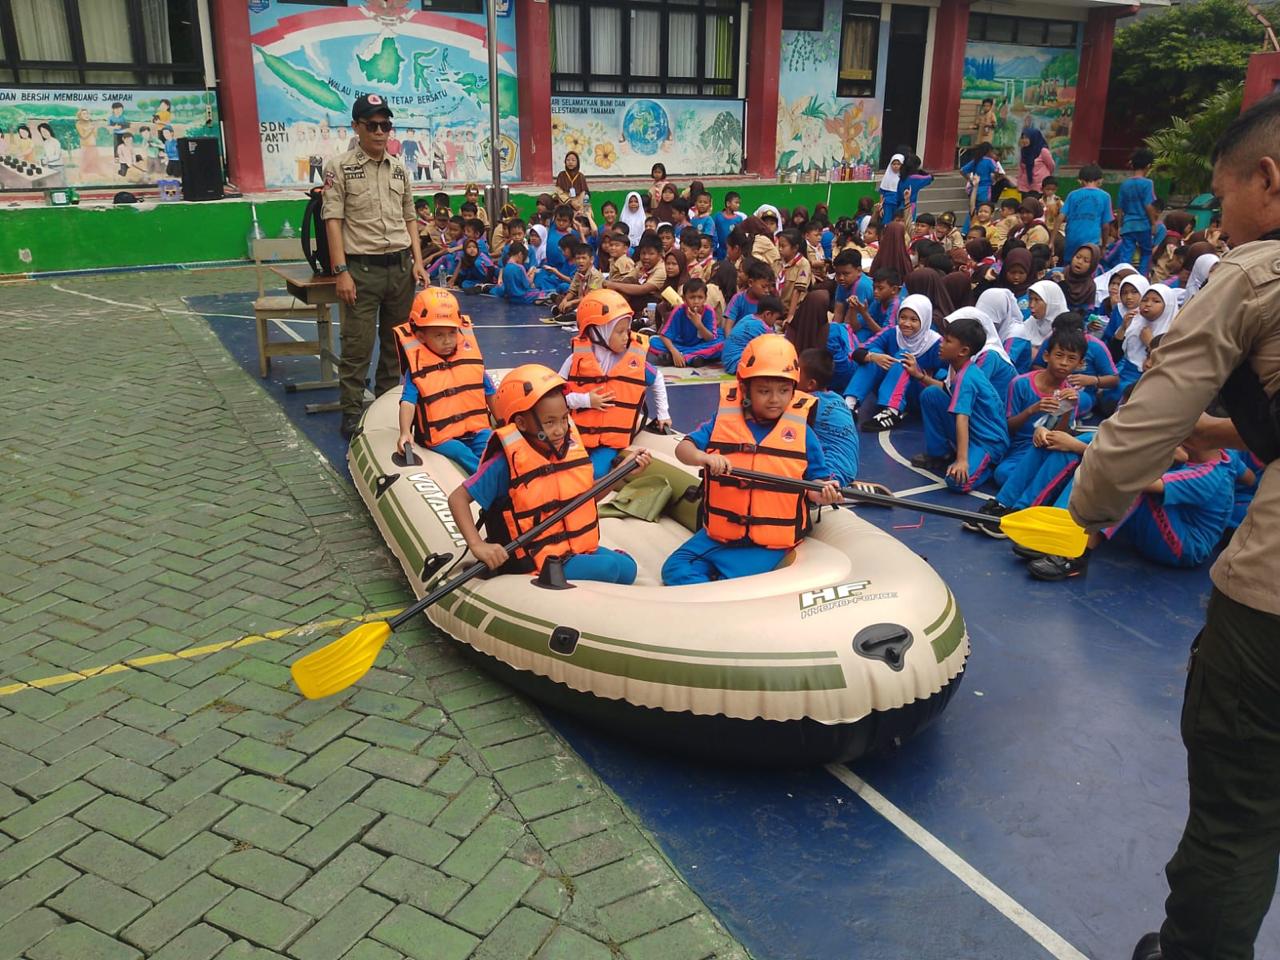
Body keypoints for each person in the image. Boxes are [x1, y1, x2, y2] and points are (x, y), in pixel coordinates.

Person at [661, 337, 841, 585]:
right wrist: (703, 457)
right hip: (719, 536)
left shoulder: (802, 433)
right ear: (745, 389)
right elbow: (683, 449)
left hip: (768, 544)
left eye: (784, 390)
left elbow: (814, 484)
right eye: (764, 391)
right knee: (674, 568)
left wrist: (824, 493)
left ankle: (711, 593)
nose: (775, 399)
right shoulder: (722, 421)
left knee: (732, 585)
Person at [448, 365, 649, 585]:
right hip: (534, 558)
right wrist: (478, 545)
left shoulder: (564, 449)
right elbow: (457, 499)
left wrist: (619, 473)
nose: (561, 430)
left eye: (564, 419)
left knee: (628, 570)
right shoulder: (504, 463)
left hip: (572, 546)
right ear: (521, 423)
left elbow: (584, 499)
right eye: (550, 422)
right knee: (608, 568)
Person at [322, 94, 428, 438]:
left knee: (396, 347)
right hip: (361, 272)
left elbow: (410, 216)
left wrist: (418, 261)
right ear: (356, 127)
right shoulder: (339, 167)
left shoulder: (399, 167)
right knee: (357, 346)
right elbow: (333, 220)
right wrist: (341, 272)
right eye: (372, 125)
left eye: (385, 125)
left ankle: (385, 408)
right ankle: (351, 414)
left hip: (399, 269)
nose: (380, 132)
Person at [560, 289, 670, 478]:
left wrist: (663, 414)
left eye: (627, 330)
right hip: (575, 435)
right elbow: (556, 398)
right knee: (565, 468)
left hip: (610, 443)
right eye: (619, 332)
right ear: (596, 331)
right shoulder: (574, 360)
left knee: (596, 472)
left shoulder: (633, 360)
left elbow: (657, 378)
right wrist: (586, 400)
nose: (626, 336)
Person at [393, 288, 495, 473]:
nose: (448, 341)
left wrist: (504, 422)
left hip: (477, 430)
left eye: (452, 333)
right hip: (442, 437)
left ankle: (503, 482)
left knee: (492, 445)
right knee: (460, 452)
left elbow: (489, 392)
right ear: (421, 336)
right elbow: (408, 402)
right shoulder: (416, 369)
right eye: (439, 335)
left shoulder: (470, 361)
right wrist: (405, 432)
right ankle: (485, 481)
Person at [910, 315, 1010, 492]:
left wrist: (962, 460)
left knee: (956, 482)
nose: (941, 343)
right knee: (931, 394)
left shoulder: (966, 378)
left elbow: (962, 419)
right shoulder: (962, 369)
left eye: (947, 341)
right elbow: (946, 391)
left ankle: (987, 466)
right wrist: (921, 376)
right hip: (973, 431)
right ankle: (940, 454)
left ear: (963, 351)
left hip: (987, 441)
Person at [995, 325, 1083, 488]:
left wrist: (1068, 408)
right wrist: (1032, 410)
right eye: (1059, 355)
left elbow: (1062, 435)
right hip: (1022, 446)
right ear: (1046, 356)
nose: (1064, 363)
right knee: (1003, 474)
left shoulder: (1070, 393)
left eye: (1071, 359)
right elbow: (1008, 427)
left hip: (1049, 447)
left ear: (1080, 364)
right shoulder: (1021, 383)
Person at [844, 293, 943, 431]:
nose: (906, 323)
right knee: (874, 354)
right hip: (887, 389)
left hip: (917, 394)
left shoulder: (936, 343)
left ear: (925, 320)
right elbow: (857, 353)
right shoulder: (893, 332)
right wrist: (872, 357)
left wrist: (920, 375)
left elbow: (948, 378)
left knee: (903, 356)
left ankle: (892, 412)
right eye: (902, 317)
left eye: (914, 319)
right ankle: (850, 404)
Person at [798, 347, 860, 485]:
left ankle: (845, 494)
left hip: (831, 471)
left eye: (797, 370)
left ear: (810, 384)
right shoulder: (837, 398)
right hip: (849, 466)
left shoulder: (806, 403)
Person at [649, 279, 723, 368]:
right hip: (680, 345)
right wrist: (674, 351)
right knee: (653, 341)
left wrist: (699, 325)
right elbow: (664, 336)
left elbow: (710, 338)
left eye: (700, 297)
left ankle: (679, 357)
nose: (696, 301)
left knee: (721, 343)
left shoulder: (708, 311)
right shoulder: (679, 311)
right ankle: (692, 358)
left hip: (700, 345)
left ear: (705, 298)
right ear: (684, 299)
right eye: (692, 297)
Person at [1113, 147, 1160, 275]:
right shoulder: (1148, 183)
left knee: (1126, 254)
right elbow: (1148, 205)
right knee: (1146, 253)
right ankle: (1142, 278)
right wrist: (1153, 223)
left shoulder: (1125, 184)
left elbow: (1120, 208)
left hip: (1128, 225)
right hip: (1143, 225)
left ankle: (1123, 276)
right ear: (1148, 166)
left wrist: (1119, 226)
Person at [1005, 279, 1067, 373]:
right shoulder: (1031, 322)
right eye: (1030, 299)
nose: (1031, 305)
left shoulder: (1067, 326)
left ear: (1051, 301)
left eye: (1037, 300)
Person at [1060, 165, 1113, 260]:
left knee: (1069, 265)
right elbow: (1105, 225)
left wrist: (1051, 241)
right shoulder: (1105, 196)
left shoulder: (1073, 195)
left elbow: (1061, 216)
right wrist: (1104, 245)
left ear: (1080, 181)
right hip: (1091, 240)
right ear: (1100, 180)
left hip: (1072, 238)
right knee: (1088, 266)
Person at [722, 296, 784, 375]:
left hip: (727, 361)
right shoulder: (761, 327)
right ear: (767, 314)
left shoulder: (749, 317)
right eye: (775, 318)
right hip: (737, 364)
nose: (775, 322)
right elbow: (775, 345)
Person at [553, 243, 604, 321]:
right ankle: (566, 309)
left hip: (591, 302)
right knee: (562, 299)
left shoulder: (595, 276)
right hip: (580, 300)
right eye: (578, 258)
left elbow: (590, 297)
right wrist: (565, 300)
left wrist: (572, 303)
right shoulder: (578, 273)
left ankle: (574, 314)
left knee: (589, 305)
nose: (580, 261)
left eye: (584, 258)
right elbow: (572, 290)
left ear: (591, 260)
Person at [775, 229, 812, 326]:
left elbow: (797, 291)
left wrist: (790, 317)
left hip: (794, 311)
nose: (780, 249)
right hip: (777, 310)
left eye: (783, 246)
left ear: (795, 248)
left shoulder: (803, 264)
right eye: (779, 246)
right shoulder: (777, 263)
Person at [1058, 243, 1101, 313]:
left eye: (1086, 261)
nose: (1079, 262)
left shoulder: (1090, 287)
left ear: (1092, 265)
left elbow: (1087, 312)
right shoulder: (1058, 274)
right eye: (1078, 257)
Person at [1017, 126, 1055, 194]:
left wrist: (1044, 176)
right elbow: (1021, 169)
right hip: (1025, 187)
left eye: (1027, 138)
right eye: (1023, 138)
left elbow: (1051, 166)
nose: (1024, 140)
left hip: (1039, 187)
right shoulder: (1023, 151)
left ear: (1033, 137)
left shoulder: (1043, 151)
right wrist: (1019, 183)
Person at [713, 191, 745, 260]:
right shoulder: (718, 216)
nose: (738, 205)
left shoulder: (739, 219)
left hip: (733, 252)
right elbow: (713, 232)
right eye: (736, 202)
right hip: (720, 252)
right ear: (728, 203)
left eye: (739, 203)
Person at [879, 154, 905, 222]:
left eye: (898, 164)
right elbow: (882, 193)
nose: (896, 166)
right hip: (887, 204)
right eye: (894, 164)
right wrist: (881, 207)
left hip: (899, 205)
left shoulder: (904, 178)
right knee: (886, 222)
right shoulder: (887, 177)